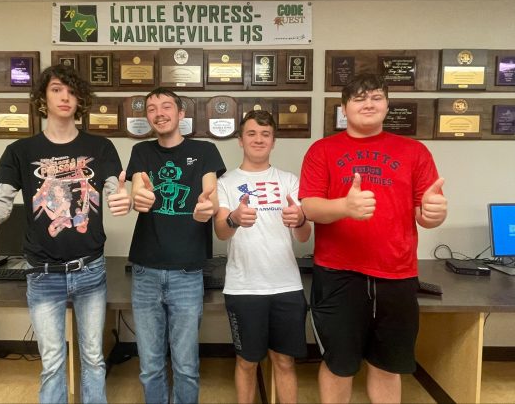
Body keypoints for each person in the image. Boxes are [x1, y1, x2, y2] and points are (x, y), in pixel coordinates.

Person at [0, 64, 131, 404]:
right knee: (53, 362)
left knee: (93, 359)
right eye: (57, 89)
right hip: (42, 275)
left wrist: (124, 200)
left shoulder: (101, 148)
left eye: (72, 91)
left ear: (81, 100)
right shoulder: (20, 151)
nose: (65, 97)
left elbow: (117, 192)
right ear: (43, 98)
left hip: (90, 271)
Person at [299, 73, 448, 403]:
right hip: (338, 275)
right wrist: (345, 205)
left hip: (396, 274)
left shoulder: (414, 151)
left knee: (387, 366)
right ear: (343, 107)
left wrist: (435, 213)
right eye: (359, 98)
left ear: (387, 104)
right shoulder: (322, 150)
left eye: (376, 97)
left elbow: (426, 211)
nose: (369, 103)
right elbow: (308, 206)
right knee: (339, 365)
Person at [126, 87, 226, 403]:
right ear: (148, 117)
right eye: (152, 108)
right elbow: (139, 190)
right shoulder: (141, 153)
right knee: (150, 365)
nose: (159, 112)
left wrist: (207, 207)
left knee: (185, 365)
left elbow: (211, 193)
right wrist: (137, 197)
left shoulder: (206, 150)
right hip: (146, 272)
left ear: (181, 114)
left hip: (187, 272)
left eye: (166, 106)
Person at [214, 110, 311, 404]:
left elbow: (304, 236)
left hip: (286, 286)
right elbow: (221, 232)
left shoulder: (289, 181)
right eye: (252, 133)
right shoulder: (226, 183)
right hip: (244, 289)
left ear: (274, 141)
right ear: (241, 140)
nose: (259, 139)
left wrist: (300, 219)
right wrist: (233, 218)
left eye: (265, 134)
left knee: (285, 361)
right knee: (247, 362)